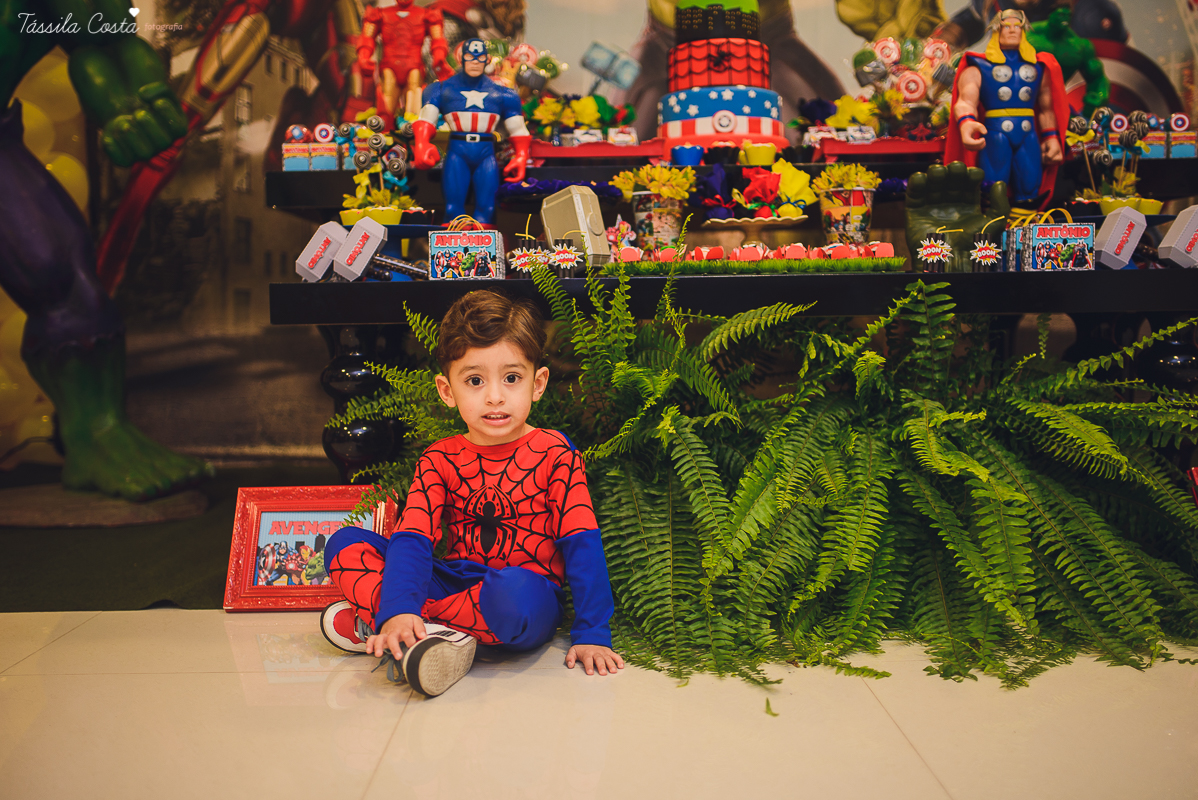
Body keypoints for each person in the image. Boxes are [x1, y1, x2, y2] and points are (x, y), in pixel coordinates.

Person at [319, 290, 623, 697]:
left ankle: (402, 627)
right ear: (447, 391)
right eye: (475, 380)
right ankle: (413, 626)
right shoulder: (438, 458)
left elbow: (582, 543)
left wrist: (592, 632)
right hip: (456, 581)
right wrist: (399, 605)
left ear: (539, 383)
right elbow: (413, 540)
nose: (494, 396)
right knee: (345, 542)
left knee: (513, 594)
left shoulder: (556, 453)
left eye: (512, 378)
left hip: (523, 592)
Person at [945, 8, 1069, 207]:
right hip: (996, 134)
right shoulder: (978, 66)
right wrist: (967, 122)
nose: (1012, 30)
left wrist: (1051, 137)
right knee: (993, 188)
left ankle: (1025, 232)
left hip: (1028, 134)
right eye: (1006, 26)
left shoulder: (1039, 67)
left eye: (1017, 27)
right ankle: (994, 233)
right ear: (996, 30)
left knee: (1030, 186)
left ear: (1024, 30)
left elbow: (1047, 107)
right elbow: (966, 101)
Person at [411, 38, 531, 225]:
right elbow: (426, 120)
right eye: (470, 57)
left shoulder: (503, 94)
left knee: (487, 209)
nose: (475, 62)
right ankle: (452, 252)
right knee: (453, 209)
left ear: (488, 60)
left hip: (485, 153)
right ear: (461, 58)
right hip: (457, 151)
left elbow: (517, 128)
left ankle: (485, 252)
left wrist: (521, 155)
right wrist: (421, 144)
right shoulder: (442, 90)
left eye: (480, 57)